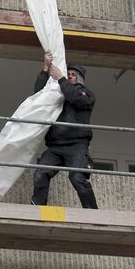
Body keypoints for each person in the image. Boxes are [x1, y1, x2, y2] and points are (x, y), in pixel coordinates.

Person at [31, 51, 99, 210]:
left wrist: (61, 78)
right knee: (41, 173)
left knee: (77, 177)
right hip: (55, 146)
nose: (69, 76)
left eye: (73, 74)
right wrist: (46, 68)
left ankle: (92, 212)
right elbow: (39, 95)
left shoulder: (86, 94)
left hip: (77, 145)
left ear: (80, 78)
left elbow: (74, 97)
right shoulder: (57, 93)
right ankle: (37, 208)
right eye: (67, 73)